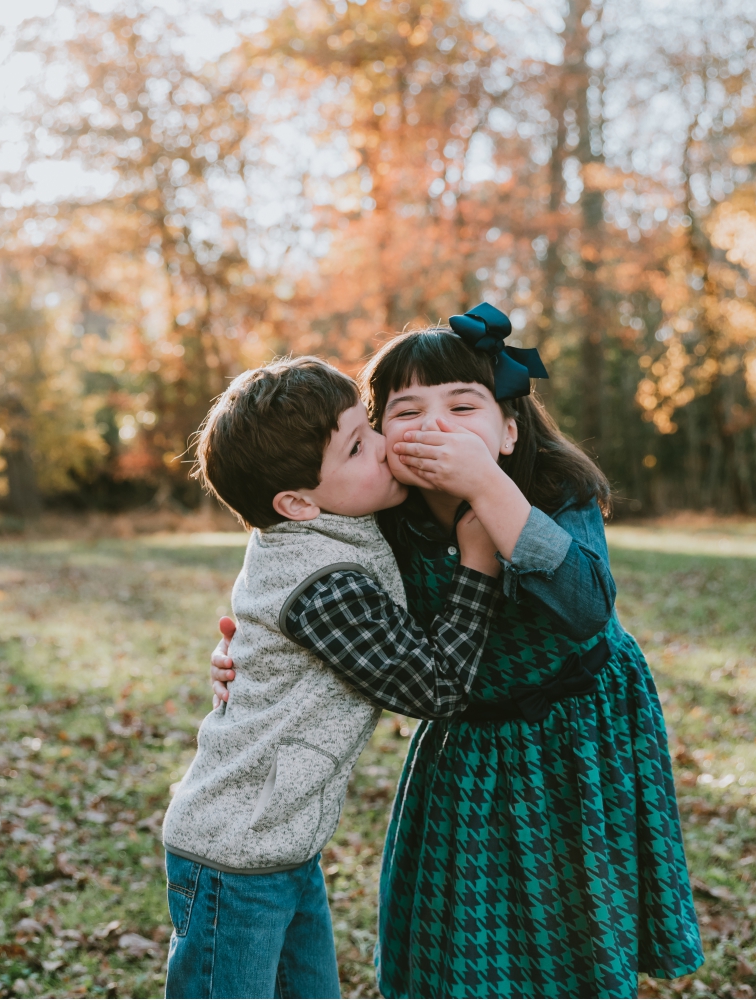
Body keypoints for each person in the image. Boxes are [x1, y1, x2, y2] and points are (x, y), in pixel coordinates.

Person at [211, 306, 704, 998]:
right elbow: (296, 565)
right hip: (470, 741)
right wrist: (248, 659)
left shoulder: (556, 491)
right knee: (464, 939)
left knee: (575, 921)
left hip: (581, 732)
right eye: (407, 409)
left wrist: (488, 488)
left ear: (509, 429)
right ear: (379, 436)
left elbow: (586, 606)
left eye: (463, 405)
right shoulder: (383, 515)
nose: (435, 424)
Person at [163, 356, 504, 999]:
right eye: (357, 446)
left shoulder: (334, 517)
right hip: (232, 860)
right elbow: (437, 688)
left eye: (368, 427)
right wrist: (479, 566)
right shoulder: (326, 585)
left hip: (283, 847)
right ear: (296, 502)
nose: (383, 447)